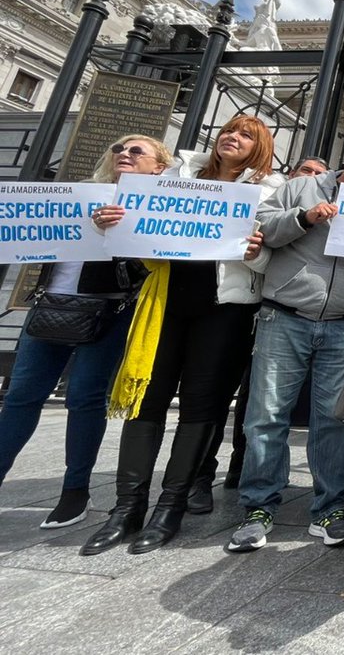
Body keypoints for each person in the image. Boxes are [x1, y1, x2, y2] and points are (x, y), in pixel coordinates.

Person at [81, 117, 280, 555]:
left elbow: (270, 262)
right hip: (164, 302)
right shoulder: (177, 175)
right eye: (229, 130)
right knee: (146, 402)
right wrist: (108, 224)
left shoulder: (269, 191)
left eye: (246, 135)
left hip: (224, 311)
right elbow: (133, 236)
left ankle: (169, 507)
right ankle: (126, 509)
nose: (233, 137)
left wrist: (256, 253)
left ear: (260, 147)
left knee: (201, 407)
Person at [226, 137, 344, 554]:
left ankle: (329, 510)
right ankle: (258, 508)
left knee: (333, 422)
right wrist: (304, 218)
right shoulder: (301, 187)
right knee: (265, 416)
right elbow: (261, 228)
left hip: (342, 325)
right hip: (283, 315)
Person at [0, 136, 171, 529]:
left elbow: (153, 265)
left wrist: (119, 232)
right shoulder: (79, 195)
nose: (124, 155)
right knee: (22, 396)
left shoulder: (153, 208)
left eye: (136, 152)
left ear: (158, 168)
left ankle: (75, 491)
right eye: (118, 150)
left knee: (84, 398)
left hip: (108, 310)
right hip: (51, 306)